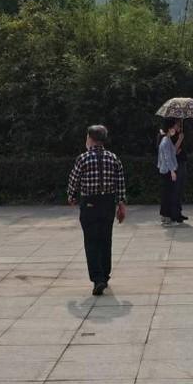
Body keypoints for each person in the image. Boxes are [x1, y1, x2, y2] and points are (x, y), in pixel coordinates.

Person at [67, 125, 127, 296]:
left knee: (91, 241)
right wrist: (121, 205)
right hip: (107, 203)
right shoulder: (114, 158)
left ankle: (97, 278)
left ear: (90, 138)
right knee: (105, 240)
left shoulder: (83, 158)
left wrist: (71, 196)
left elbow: (74, 180)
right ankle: (105, 275)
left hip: (89, 204)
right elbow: (120, 183)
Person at [157, 118, 183, 225]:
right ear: (169, 129)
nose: (175, 130)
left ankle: (164, 216)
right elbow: (167, 157)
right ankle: (166, 217)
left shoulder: (167, 140)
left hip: (166, 170)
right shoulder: (165, 141)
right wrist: (172, 171)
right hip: (167, 171)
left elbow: (171, 152)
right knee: (168, 194)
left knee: (166, 193)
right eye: (173, 128)